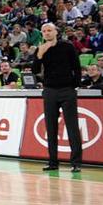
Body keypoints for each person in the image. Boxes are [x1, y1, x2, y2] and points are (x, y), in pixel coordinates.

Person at [32, 23, 83, 172]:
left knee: (72, 127)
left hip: (67, 90)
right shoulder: (40, 49)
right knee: (51, 127)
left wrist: (75, 85)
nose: (47, 33)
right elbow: (35, 70)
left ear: (56, 32)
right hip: (50, 91)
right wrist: (39, 55)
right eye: (44, 31)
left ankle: (76, 163)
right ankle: (53, 162)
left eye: (49, 30)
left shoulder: (67, 46)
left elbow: (77, 67)